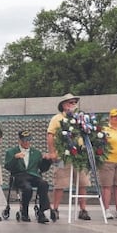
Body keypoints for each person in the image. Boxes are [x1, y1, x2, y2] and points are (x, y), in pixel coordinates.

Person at [45, 93, 91, 221]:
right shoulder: (57, 118)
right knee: (60, 183)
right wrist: (52, 152)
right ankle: (55, 209)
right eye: (71, 103)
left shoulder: (80, 118)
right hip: (62, 155)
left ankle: (83, 209)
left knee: (83, 183)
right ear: (64, 105)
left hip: (80, 155)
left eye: (75, 102)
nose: (74, 105)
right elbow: (50, 135)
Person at [3, 130, 51, 223]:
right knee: (27, 188)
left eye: (29, 140)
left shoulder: (36, 153)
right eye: (25, 140)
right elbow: (8, 166)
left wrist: (47, 161)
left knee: (44, 184)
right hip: (19, 176)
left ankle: (42, 212)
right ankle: (24, 211)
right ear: (20, 141)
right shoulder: (11, 152)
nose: (27, 142)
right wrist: (15, 158)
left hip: (33, 175)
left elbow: (42, 169)